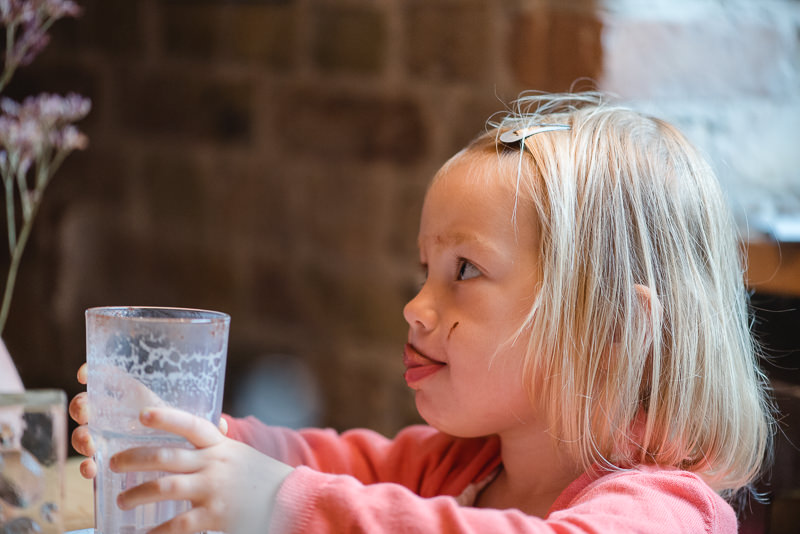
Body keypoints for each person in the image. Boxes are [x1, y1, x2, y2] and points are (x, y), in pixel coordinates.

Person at [69, 92, 774, 533]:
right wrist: (197, 442)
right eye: (424, 271)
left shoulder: (667, 510)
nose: (415, 309)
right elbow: (340, 461)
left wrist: (280, 504)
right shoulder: (463, 464)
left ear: (614, 330)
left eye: (464, 271)